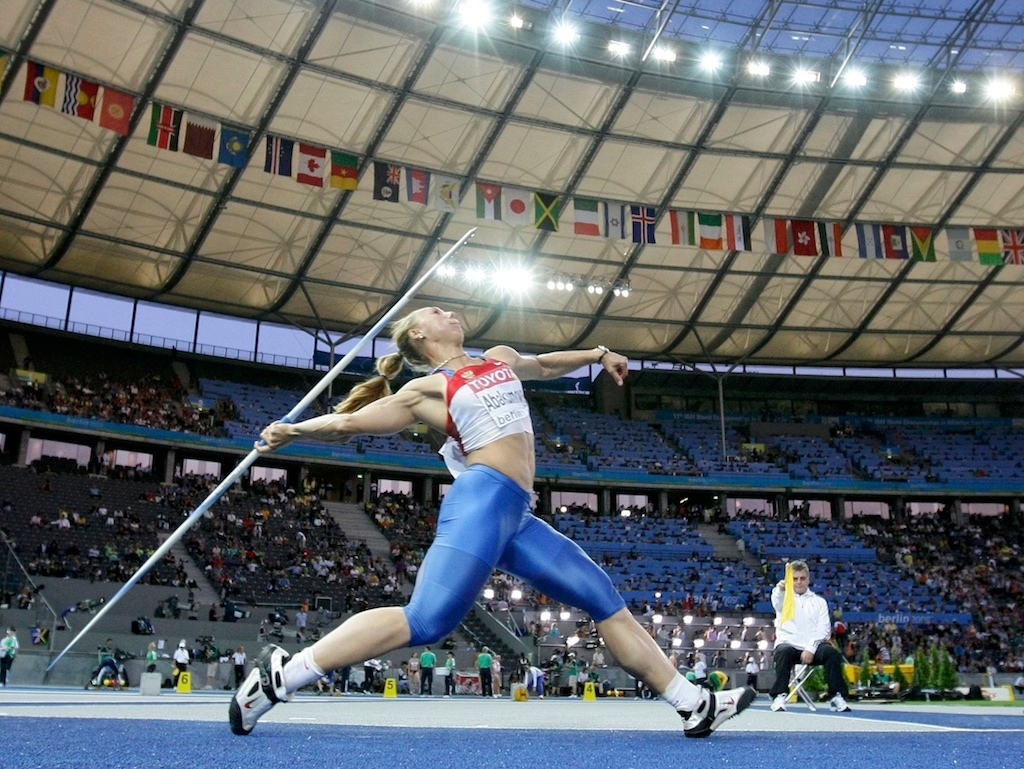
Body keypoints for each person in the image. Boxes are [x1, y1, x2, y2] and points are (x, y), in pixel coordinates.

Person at [229, 306, 754, 736]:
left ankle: (692, 703)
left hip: (517, 517)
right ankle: (281, 678)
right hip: (481, 499)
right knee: (425, 621)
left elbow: (546, 365)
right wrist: (292, 431)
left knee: (603, 598)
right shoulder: (426, 390)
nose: (449, 311)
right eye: (436, 311)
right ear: (419, 334)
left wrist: (599, 354)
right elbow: (348, 423)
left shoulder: (497, 359)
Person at [768, 560, 851, 713]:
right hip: (790, 645)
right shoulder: (784, 600)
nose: (799, 582)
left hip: (814, 648)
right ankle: (779, 695)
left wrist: (811, 648)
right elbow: (777, 601)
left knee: (832, 653)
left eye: (802, 578)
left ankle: (836, 696)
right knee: (782, 651)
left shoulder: (819, 602)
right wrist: (780, 589)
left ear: (808, 579)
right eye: (795, 578)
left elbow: (824, 629)